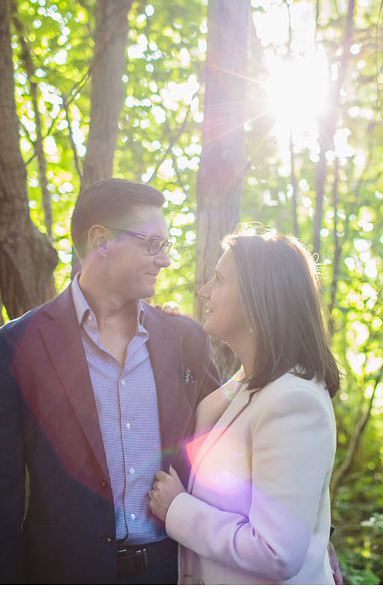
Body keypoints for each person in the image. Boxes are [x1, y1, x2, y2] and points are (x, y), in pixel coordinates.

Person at [0, 178, 221, 583]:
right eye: (152, 245)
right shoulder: (19, 345)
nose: (165, 261)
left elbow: (231, 446)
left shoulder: (185, 340)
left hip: (173, 572)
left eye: (166, 246)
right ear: (100, 240)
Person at [148, 230, 340, 584]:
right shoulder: (257, 385)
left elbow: (276, 552)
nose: (203, 291)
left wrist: (178, 509)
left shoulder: (293, 403)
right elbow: (204, 420)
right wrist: (167, 335)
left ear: (256, 299)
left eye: (218, 280)